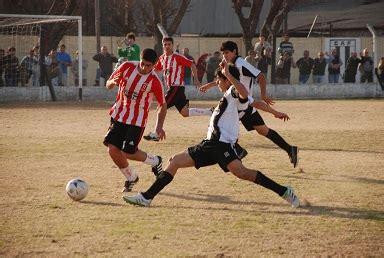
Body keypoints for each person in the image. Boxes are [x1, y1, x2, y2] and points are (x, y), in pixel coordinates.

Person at [123, 62, 300, 208]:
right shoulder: (229, 96)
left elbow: (246, 94)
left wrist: (229, 76)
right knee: (174, 161)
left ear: (227, 80)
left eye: (219, 79)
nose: (217, 82)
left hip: (221, 145)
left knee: (243, 173)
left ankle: (284, 191)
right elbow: (256, 103)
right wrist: (275, 112)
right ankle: (146, 197)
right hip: (210, 145)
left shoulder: (233, 92)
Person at [200, 41, 298, 168]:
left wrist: (263, 95)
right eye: (223, 53)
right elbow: (225, 79)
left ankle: (237, 151)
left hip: (241, 104)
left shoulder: (241, 64)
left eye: (227, 53)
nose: (224, 56)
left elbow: (261, 76)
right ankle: (289, 149)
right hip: (243, 104)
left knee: (220, 124)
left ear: (235, 51)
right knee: (263, 131)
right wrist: (210, 85)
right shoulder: (230, 65)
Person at [104, 48, 166, 192]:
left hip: (137, 120)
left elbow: (163, 104)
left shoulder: (155, 81)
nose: (144, 68)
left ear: (154, 65)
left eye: (148, 65)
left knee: (127, 152)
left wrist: (159, 127)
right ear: (139, 59)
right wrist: (113, 82)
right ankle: (131, 177)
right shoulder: (126, 67)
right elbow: (108, 84)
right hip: (119, 114)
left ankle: (155, 161)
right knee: (113, 150)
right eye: (142, 63)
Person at [143, 37, 211, 141]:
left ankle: (156, 133)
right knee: (185, 112)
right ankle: (210, 112)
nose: (167, 46)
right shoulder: (162, 58)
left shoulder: (177, 57)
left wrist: (196, 79)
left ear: (173, 45)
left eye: (169, 44)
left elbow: (192, 64)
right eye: (165, 44)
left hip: (176, 87)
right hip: (173, 88)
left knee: (162, 106)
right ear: (162, 45)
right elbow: (155, 69)